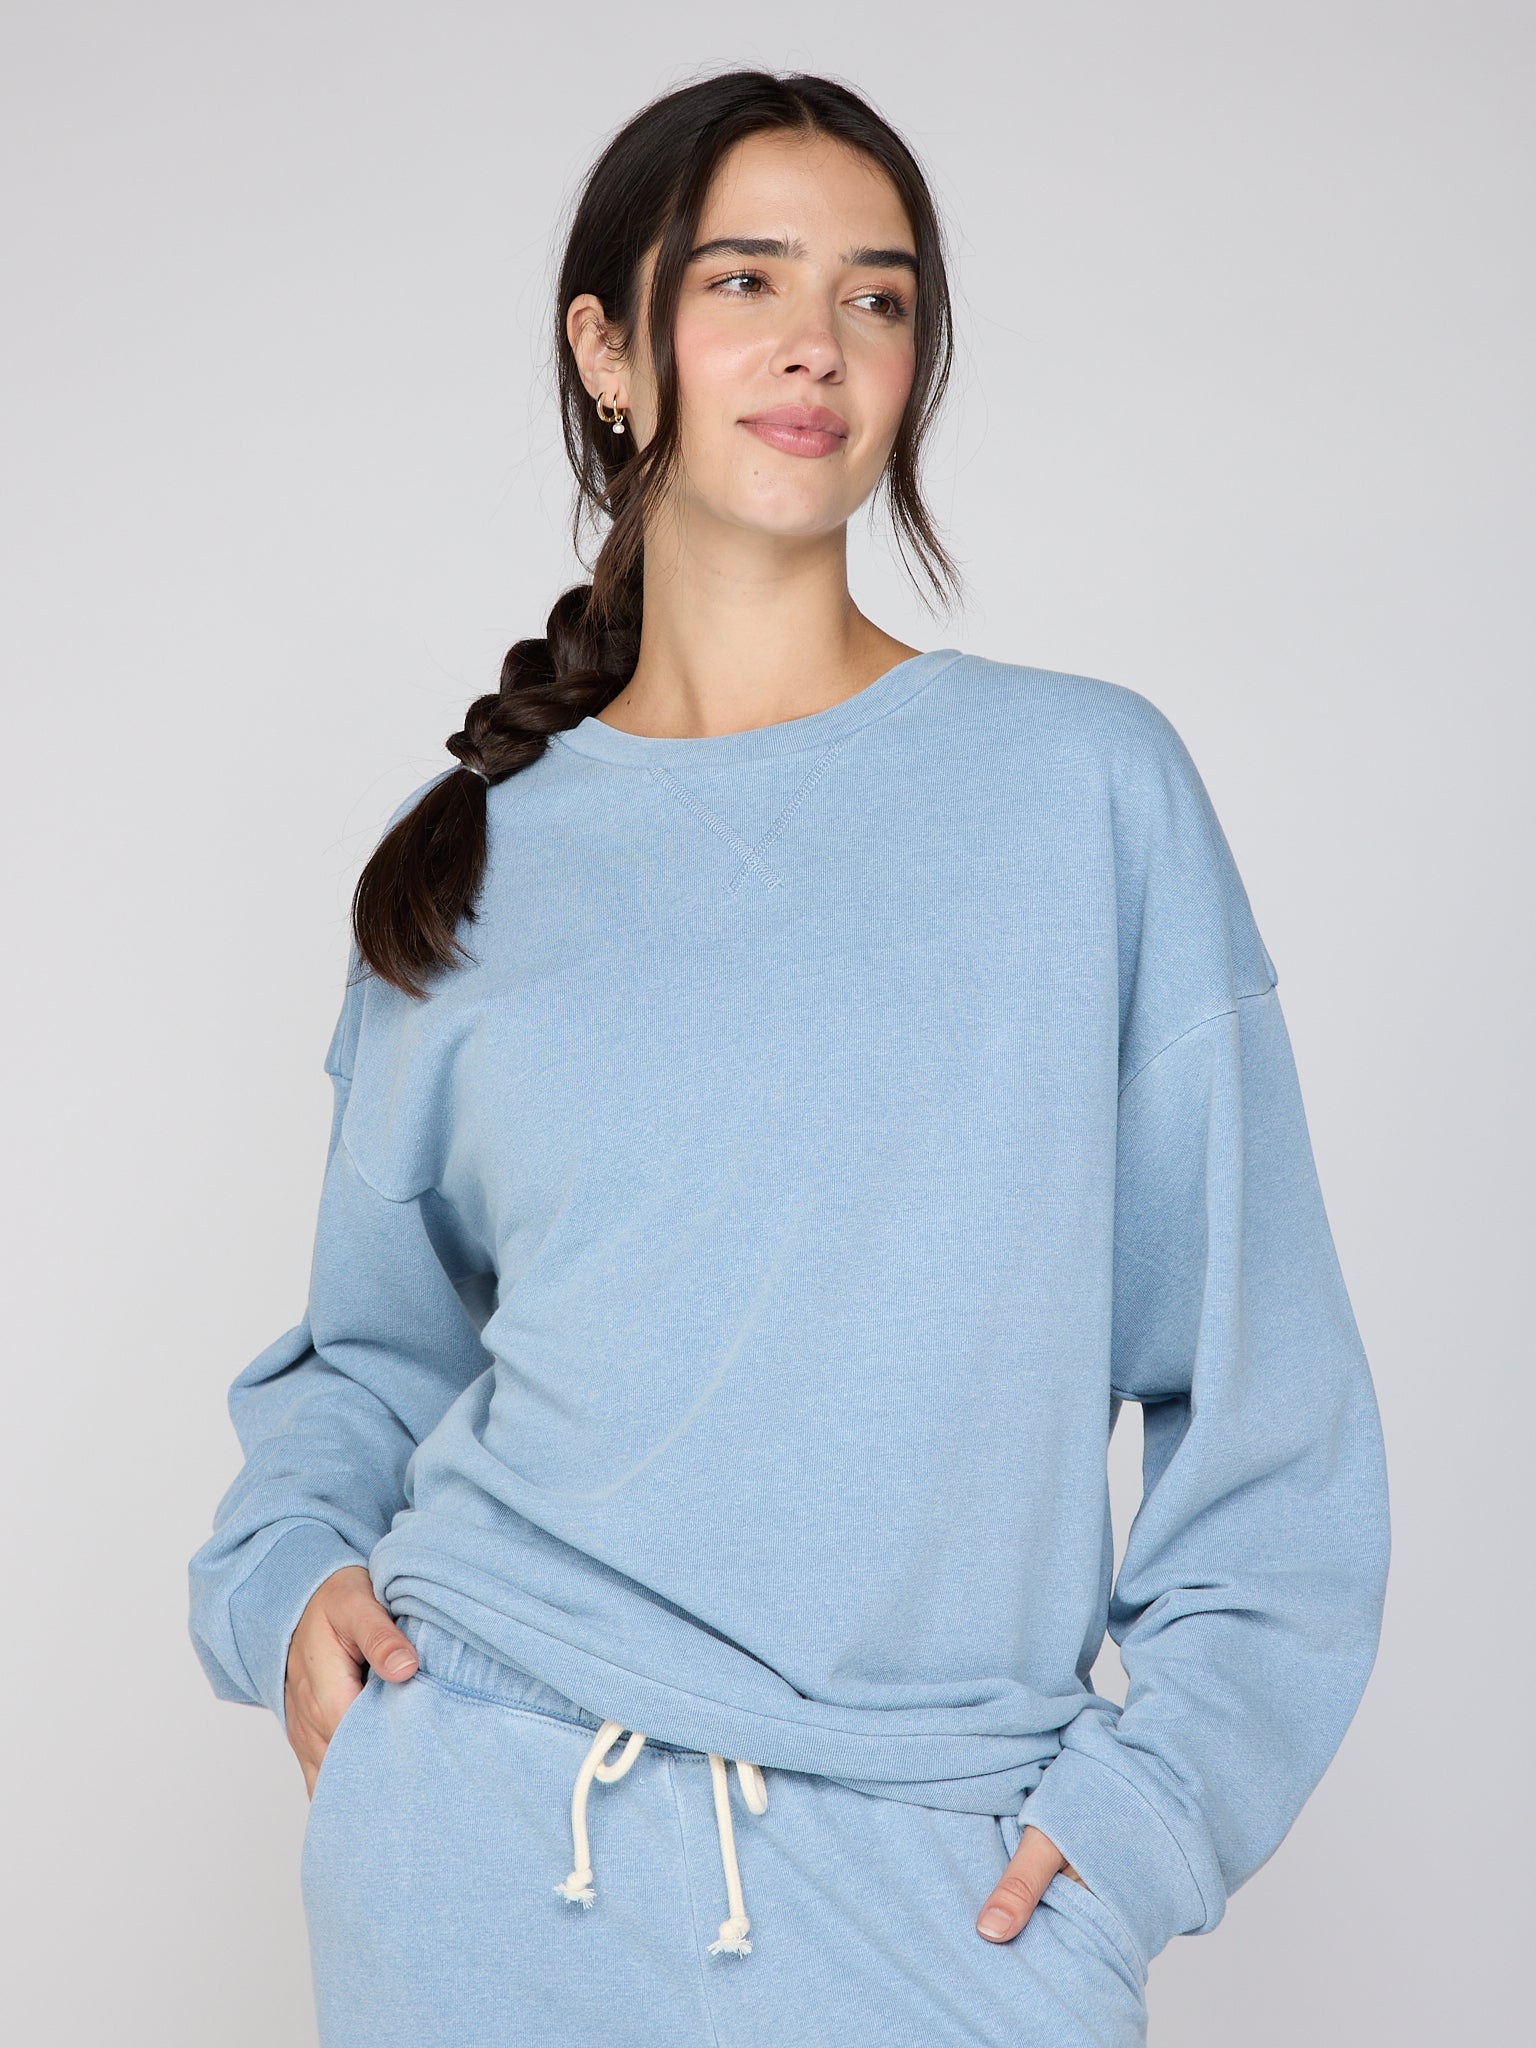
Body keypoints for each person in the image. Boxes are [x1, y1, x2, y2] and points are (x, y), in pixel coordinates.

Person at [187, 68, 1391, 2048]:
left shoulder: (1083, 792)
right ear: (611, 351)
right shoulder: (469, 854)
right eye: (744, 279)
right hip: (480, 1847)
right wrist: (292, 1575)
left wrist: (1149, 1820)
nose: (818, 342)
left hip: (944, 1893)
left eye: (878, 295)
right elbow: (371, 1355)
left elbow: (1271, 1409)